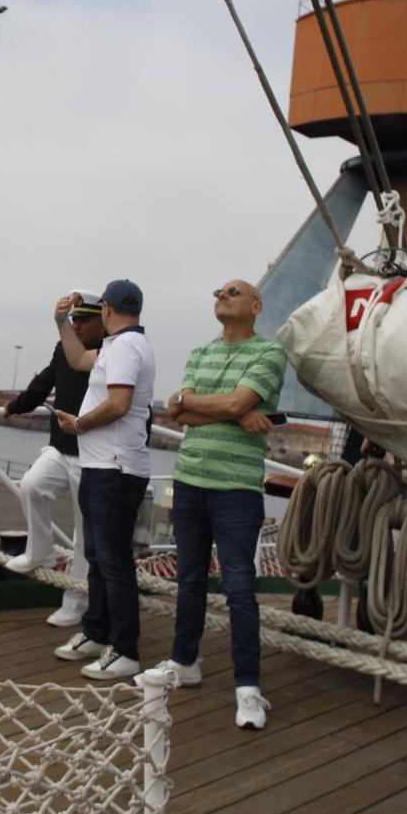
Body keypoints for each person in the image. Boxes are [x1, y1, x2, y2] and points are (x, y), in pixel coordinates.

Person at [139, 279, 285, 731]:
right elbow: (176, 411)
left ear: (256, 306)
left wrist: (209, 403)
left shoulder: (269, 354)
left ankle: (249, 688)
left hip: (237, 487)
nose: (221, 296)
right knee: (190, 577)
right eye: (218, 293)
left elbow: (209, 402)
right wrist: (234, 412)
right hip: (190, 479)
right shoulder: (200, 353)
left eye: (232, 292)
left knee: (239, 586)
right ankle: (185, 661)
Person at [49, 279, 154, 680]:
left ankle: (125, 648)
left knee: (112, 562)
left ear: (106, 309)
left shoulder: (126, 347)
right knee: (97, 557)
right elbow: (77, 360)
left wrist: (79, 424)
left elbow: (119, 404)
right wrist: (61, 322)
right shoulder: (118, 345)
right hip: (102, 467)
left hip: (116, 469)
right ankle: (96, 632)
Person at [0, 291, 105, 626]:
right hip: (61, 448)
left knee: (83, 535)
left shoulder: (111, 355)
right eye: (74, 319)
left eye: (85, 320)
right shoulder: (64, 348)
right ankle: (40, 551)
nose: (77, 326)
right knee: (31, 486)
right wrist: (15, 407)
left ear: (103, 323)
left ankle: (75, 602)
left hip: (92, 454)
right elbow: (45, 381)